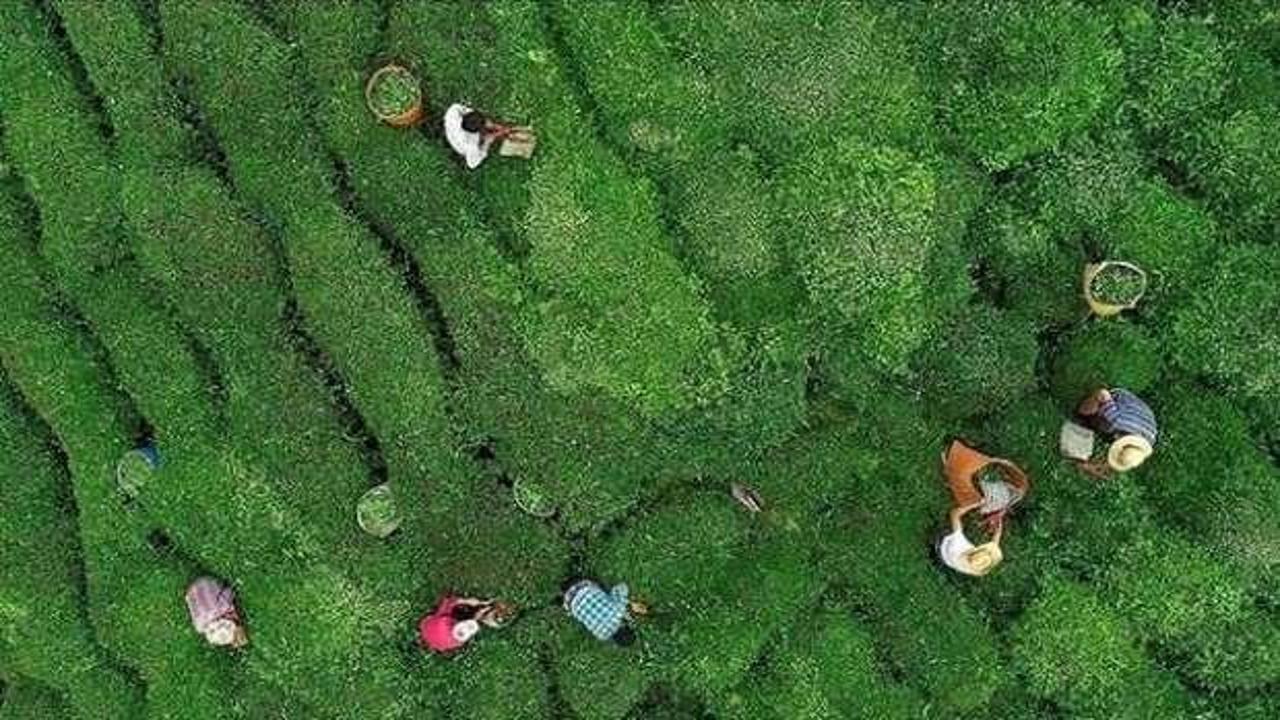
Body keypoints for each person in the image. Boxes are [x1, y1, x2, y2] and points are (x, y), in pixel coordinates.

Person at [942, 439, 1029, 533]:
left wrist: (1001, 462)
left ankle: (954, 461)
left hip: (985, 496)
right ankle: (953, 465)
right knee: (966, 479)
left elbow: (1014, 473)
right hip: (984, 498)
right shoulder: (1010, 500)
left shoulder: (1017, 493)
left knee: (965, 477)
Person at [1075, 387, 1158, 478]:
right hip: (1121, 398)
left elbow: (1124, 456)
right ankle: (1084, 413)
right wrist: (1085, 408)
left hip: (1143, 415)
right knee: (1086, 415)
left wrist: (1093, 466)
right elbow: (1103, 393)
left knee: (1105, 430)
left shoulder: (1147, 442)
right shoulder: (1115, 420)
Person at [443, 103, 535, 169]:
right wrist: (487, 142)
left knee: (492, 130)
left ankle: (507, 134)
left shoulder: (454, 111)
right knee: (488, 139)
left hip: (453, 127)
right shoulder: (471, 146)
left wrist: (497, 127)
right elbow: (472, 165)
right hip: (460, 146)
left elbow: (472, 114)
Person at [562, 579, 644, 645]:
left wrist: (629, 603)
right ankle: (562, 597)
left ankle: (575, 578)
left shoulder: (619, 611)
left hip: (581, 586)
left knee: (603, 590)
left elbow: (620, 588)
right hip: (569, 603)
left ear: (627, 626)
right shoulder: (602, 636)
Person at [418, 594, 504, 654]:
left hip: (427, 626)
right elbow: (449, 601)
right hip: (434, 635)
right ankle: (487, 615)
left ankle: (485, 613)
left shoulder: (455, 637)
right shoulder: (444, 622)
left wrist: (470, 602)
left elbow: (449, 601)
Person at [938, 502, 1004, 577]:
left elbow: (954, 513)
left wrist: (976, 504)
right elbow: (991, 549)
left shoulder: (957, 541)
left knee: (956, 523)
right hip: (950, 561)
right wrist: (998, 533)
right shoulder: (978, 571)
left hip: (945, 548)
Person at [185, 576, 248, 649]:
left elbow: (229, 592)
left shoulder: (224, 607)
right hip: (201, 586)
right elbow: (229, 591)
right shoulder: (199, 626)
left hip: (204, 585)